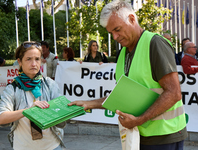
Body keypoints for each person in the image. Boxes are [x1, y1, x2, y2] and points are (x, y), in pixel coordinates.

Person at [69, 0, 187, 149]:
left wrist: (138, 120)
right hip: (139, 134)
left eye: (117, 29)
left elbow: (174, 93)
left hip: (165, 136)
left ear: (132, 19)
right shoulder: (123, 52)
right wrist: (90, 103)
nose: (115, 37)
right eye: (111, 32)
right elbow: (123, 97)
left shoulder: (155, 43)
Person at [0, 41, 66, 150]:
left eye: (37, 59)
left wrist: (66, 109)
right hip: (23, 147)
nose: (34, 64)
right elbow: (0, 118)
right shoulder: (12, 88)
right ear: (19, 62)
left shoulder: (50, 84)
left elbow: (61, 118)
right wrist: (29, 111)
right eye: (29, 59)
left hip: (52, 146)